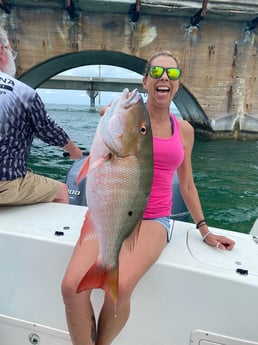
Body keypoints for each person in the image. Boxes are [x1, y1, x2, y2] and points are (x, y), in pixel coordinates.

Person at [61, 50, 235, 345]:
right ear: (145, 81)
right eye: (156, 73)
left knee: (121, 285)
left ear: (178, 83)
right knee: (70, 286)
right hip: (111, 209)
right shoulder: (122, 115)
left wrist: (204, 229)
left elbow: (188, 184)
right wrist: (113, 115)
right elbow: (106, 124)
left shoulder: (185, 131)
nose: (164, 78)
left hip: (154, 217)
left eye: (172, 74)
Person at [0, 26, 83, 205]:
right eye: (10, 51)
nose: (12, 56)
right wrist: (75, 152)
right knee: (61, 190)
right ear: (1, 51)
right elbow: (46, 129)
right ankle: (62, 233)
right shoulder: (23, 93)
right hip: (5, 187)